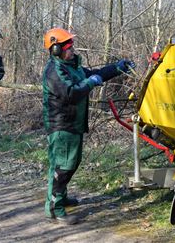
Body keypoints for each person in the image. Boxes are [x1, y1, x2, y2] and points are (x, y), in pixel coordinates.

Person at [42, 28, 135, 225]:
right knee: (63, 166)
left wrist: (116, 68)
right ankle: (55, 209)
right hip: (61, 124)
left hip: (73, 122)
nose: (72, 50)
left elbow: (95, 74)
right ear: (56, 49)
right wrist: (91, 83)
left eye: (71, 45)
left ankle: (61, 197)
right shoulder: (54, 71)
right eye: (67, 46)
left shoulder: (72, 66)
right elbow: (71, 93)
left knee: (68, 163)